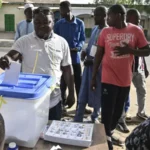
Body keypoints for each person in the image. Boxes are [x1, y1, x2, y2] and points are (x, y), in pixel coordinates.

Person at [0, 7, 75, 121]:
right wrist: (6, 59)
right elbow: (12, 55)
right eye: (37, 22)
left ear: (53, 23)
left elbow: (67, 69)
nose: (41, 26)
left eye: (46, 22)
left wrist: (71, 93)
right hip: (30, 101)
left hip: (54, 100)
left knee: (51, 135)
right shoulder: (24, 41)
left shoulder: (62, 42)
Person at [91, 4, 150, 150]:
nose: (107, 18)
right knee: (106, 110)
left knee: (118, 111)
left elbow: (147, 51)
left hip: (124, 80)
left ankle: (108, 133)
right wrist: (93, 76)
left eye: (109, 15)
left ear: (118, 15)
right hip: (108, 78)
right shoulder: (105, 32)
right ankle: (105, 140)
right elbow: (99, 54)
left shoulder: (135, 30)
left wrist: (129, 50)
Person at [117, 8, 149, 133]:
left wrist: (145, 67)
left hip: (138, 68)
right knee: (123, 95)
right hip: (126, 69)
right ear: (129, 18)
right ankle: (121, 119)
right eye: (137, 17)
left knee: (142, 90)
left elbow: (143, 51)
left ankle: (140, 113)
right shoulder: (122, 31)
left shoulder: (139, 30)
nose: (140, 20)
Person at [74, 6, 107, 123]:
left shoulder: (108, 32)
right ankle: (78, 117)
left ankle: (94, 117)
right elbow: (90, 46)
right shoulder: (94, 29)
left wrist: (94, 62)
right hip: (88, 67)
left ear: (104, 16)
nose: (94, 17)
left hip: (100, 69)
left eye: (97, 15)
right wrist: (84, 52)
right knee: (83, 91)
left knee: (97, 93)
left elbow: (107, 54)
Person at [54, 1, 88, 113]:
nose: (61, 12)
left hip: (75, 58)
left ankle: (80, 106)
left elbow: (83, 38)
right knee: (63, 83)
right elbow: (55, 39)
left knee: (79, 83)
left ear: (68, 9)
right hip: (62, 60)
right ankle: (62, 105)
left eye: (62, 10)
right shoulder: (58, 24)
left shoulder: (79, 23)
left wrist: (78, 47)